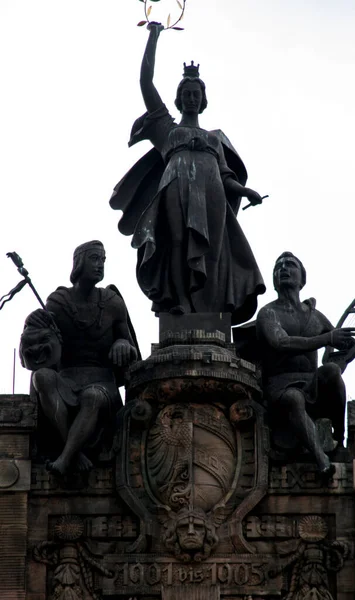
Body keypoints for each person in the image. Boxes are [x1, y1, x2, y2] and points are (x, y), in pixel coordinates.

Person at [110, 22, 266, 325]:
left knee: (214, 247)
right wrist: (153, 37)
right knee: (178, 241)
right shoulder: (166, 128)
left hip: (212, 191)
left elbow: (225, 174)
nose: (192, 97)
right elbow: (145, 82)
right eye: (187, 93)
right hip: (175, 185)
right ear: (180, 98)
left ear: (203, 99)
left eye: (197, 93)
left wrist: (245, 191)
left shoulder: (215, 137)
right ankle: (180, 300)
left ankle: (210, 307)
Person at [256, 252, 355, 477]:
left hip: (311, 384)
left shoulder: (315, 317)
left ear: (302, 280)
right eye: (278, 267)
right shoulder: (268, 313)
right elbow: (280, 342)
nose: (283, 269)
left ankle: (340, 441)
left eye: (290, 265)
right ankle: (322, 460)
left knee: (332, 370)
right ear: (274, 281)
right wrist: (327, 339)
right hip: (280, 386)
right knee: (293, 398)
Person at [20, 240, 138, 476]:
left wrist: (122, 344)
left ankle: (65, 458)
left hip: (102, 382)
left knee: (93, 397)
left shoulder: (113, 303)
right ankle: (74, 451)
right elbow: (35, 350)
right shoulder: (58, 302)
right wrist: (31, 323)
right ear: (79, 262)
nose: (100, 265)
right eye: (94, 258)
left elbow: (129, 345)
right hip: (66, 379)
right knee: (42, 377)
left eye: (103, 260)